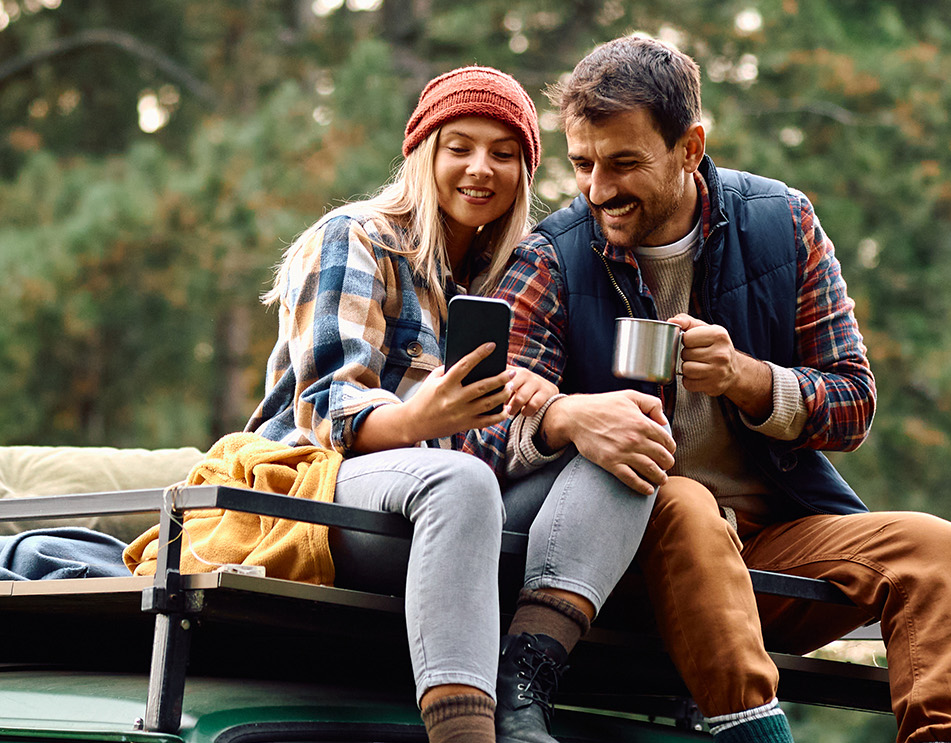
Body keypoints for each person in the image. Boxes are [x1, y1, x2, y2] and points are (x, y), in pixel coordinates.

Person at [467, 36, 951, 743]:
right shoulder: (553, 255)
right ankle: (757, 732)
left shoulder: (783, 224)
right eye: (582, 164)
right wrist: (567, 418)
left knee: (938, 546)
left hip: (767, 551)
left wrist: (750, 379)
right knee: (680, 495)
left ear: (690, 147)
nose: (597, 189)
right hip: (625, 572)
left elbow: (854, 402)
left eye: (624, 163)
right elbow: (480, 424)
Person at [246, 66, 654, 743]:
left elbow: (491, 447)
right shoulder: (360, 236)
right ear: (422, 152)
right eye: (459, 146)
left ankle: (525, 685)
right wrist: (415, 420)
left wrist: (556, 417)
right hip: (322, 493)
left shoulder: (510, 274)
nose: (480, 168)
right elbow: (323, 406)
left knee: (623, 447)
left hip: (455, 506)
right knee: (459, 481)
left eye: (503, 153)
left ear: (524, 172)